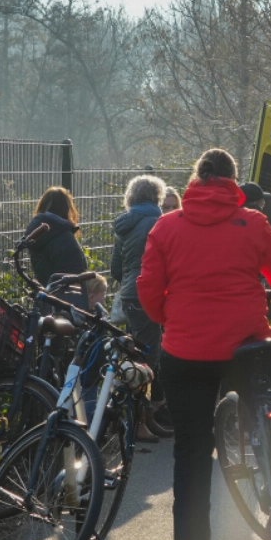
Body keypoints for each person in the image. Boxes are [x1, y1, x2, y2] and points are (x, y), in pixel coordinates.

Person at [136, 148, 271, 540]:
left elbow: (148, 290)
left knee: (192, 446)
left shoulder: (166, 227)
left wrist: (174, 318)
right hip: (248, 345)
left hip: (186, 351)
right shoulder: (253, 223)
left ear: (196, 178)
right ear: (233, 181)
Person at [110, 174, 168, 443]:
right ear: (157, 196)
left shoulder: (124, 225)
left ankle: (144, 418)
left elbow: (115, 268)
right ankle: (136, 422)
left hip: (130, 295)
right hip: (150, 294)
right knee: (147, 360)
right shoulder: (159, 222)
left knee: (138, 355)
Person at [25, 187, 89, 287]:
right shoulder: (64, 237)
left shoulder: (37, 233)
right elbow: (78, 271)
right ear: (67, 208)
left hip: (46, 289)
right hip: (66, 291)